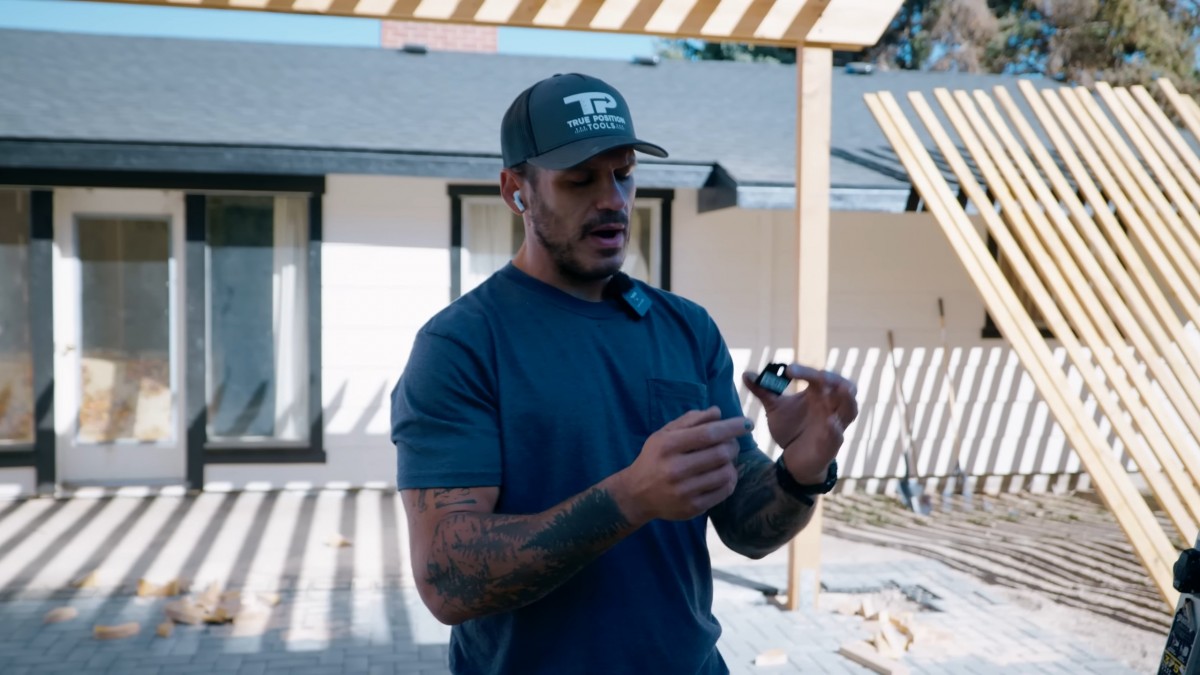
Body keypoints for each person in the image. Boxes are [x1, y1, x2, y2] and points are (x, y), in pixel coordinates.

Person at [390, 72, 858, 675]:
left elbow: (746, 529)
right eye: (579, 179)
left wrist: (801, 471)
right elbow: (448, 581)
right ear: (516, 190)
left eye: (623, 173)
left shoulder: (686, 329)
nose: (611, 199)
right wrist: (630, 497)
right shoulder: (461, 345)